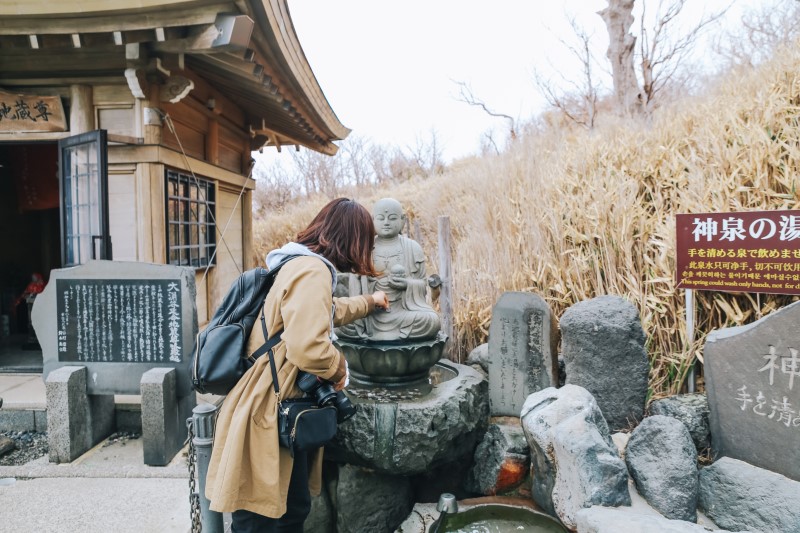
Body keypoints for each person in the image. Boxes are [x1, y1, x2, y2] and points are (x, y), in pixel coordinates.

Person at [205, 198, 389, 532]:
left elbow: (325, 311)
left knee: (283, 511)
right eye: (367, 241)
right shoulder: (312, 271)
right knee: (266, 518)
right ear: (352, 239)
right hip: (268, 408)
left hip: (268, 402)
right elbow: (309, 347)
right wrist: (340, 369)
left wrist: (368, 303)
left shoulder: (297, 265)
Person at [336, 197, 440, 342]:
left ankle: (379, 338)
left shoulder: (412, 248)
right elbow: (355, 289)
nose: (386, 222)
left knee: (431, 321)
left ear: (402, 220)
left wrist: (407, 284)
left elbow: (422, 285)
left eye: (392, 218)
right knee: (342, 325)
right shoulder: (364, 249)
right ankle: (373, 333)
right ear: (373, 220)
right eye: (381, 218)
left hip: (402, 312)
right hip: (371, 314)